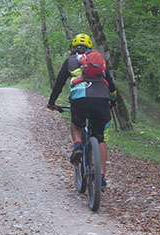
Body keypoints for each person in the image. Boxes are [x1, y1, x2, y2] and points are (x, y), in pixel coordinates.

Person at [47, 33, 118, 189]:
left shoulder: (71, 61)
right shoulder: (99, 62)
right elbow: (112, 86)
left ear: (73, 48)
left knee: (76, 124)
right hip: (101, 99)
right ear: (90, 48)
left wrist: (52, 103)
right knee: (100, 139)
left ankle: (78, 145)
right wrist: (113, 101)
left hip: (80, 99)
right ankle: (101, 176)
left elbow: (58, 85)